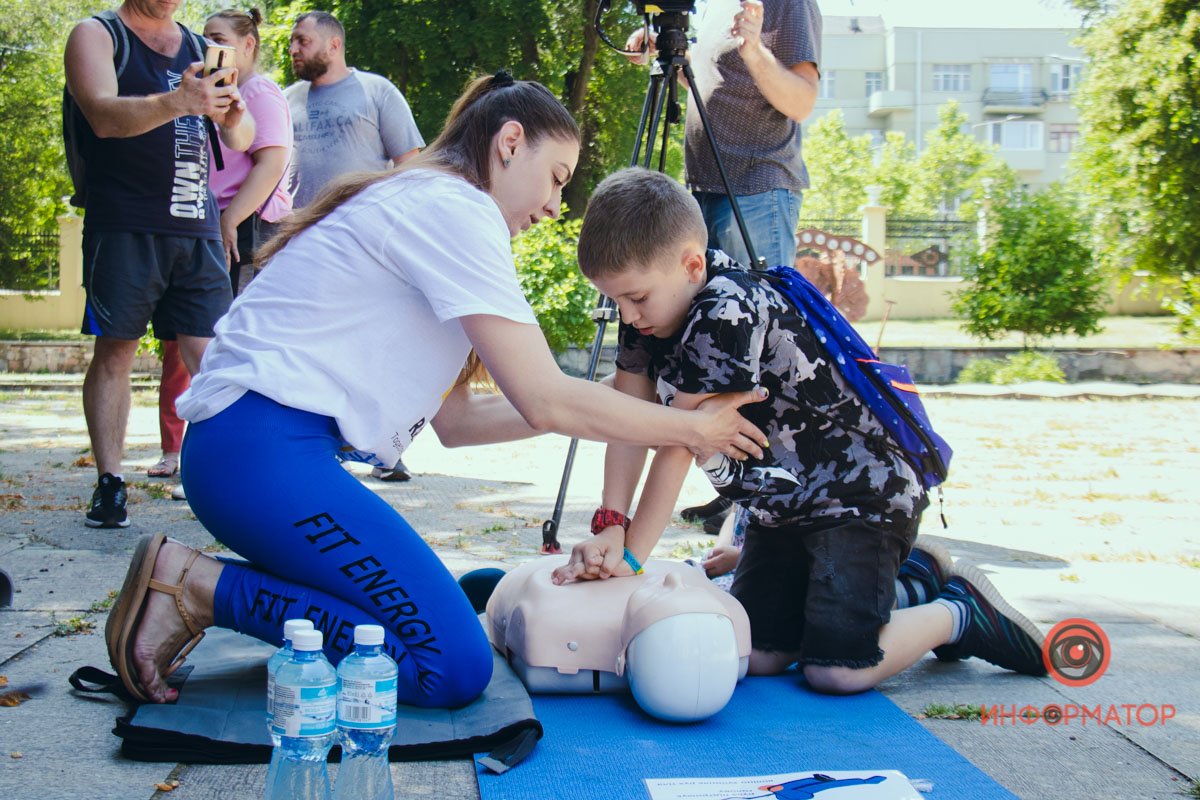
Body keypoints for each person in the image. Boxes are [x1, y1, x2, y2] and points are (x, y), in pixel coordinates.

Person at [103, 74, 770, 705]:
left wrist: (611, 400)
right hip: (260, 456)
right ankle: (198, 587)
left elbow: (460, 422)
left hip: (250, 456)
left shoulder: (425, 201)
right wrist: (691, 428)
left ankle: (205, 584)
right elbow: (545, 399)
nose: (555, 205)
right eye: (556, 178)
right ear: (510, 143)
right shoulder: (453, 208)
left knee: (423, 625)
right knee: (447, 664)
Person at [553, 169, 1048, 694]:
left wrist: (631, 559)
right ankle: (914, 578)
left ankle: (958, 611)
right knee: (758, 654)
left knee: (835, 670)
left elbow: (680, 442)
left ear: (692, 263)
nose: (629, 316)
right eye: (617, 303)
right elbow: (630, 415)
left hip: (859, 500)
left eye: (636, 299)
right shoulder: (656, 302)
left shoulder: (725, 309)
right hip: (783, 510)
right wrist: (610, 523)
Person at [629, 0, 822, 531]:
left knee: (761, 352)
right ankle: (733, 484)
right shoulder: (710, 6)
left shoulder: (787, 3)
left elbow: (801, 99)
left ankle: (767, 496)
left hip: (758, 187)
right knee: (715, 349)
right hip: (704, 191)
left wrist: (755, 49)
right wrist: (665, 47)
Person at [65, 0, 255, 528]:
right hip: (124, 221)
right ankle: (110, 483)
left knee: (212, 356)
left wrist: (234, 112)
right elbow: (102, 115)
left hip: (195, 223)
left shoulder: (198, 44)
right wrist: (179, 101)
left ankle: (226, 479)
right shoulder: (98, 34)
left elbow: (240, 137)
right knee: (117, 351)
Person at [149, 7, 294, 487]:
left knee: (230, 346)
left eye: (217, 38)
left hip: (244, 229)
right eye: (203, 37)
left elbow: (271, 163)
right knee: (190, 341)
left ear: (247, 45)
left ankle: (243, 458)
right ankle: (186, 451)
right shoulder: (209, 90)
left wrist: (230, 221)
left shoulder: (258, 92)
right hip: (201, 224)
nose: (206, 46)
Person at [286, 9, 425, 481]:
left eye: (302, 40)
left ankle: (383, 447)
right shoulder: (285, 101)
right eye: (292, 41)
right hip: (299, 247)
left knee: (368, 348)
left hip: (363, 245)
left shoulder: (376, 91)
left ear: (333, 44)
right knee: (309, 350)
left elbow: (411, 163)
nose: (293, 49)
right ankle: (315, 445)